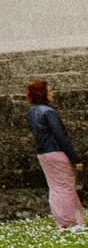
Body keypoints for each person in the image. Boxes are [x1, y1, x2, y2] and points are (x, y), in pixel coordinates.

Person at [27, 81, 81, 230]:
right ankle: (69, 222)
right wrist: (75, 159)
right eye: (50, 90)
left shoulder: (31, 113)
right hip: (56, 152)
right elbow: (61, 136)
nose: (53, 93)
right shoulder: (49, 112)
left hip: (43, 154)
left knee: (56, 187)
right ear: (43, 93)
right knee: (66, 187)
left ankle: (67, 221)